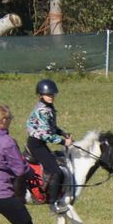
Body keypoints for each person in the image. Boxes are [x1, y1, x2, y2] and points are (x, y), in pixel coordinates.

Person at [24, 78, 72, 214]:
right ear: (40, 95)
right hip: (36, 145)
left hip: (40, 143)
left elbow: (52, 127)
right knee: (56, 171)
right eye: (48, 95)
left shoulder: (48, 108)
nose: (51, 97)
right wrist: (63, 142)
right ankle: (54, 204)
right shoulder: (42, 111)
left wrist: (63, 133)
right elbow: (45, 134)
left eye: (52, 94)